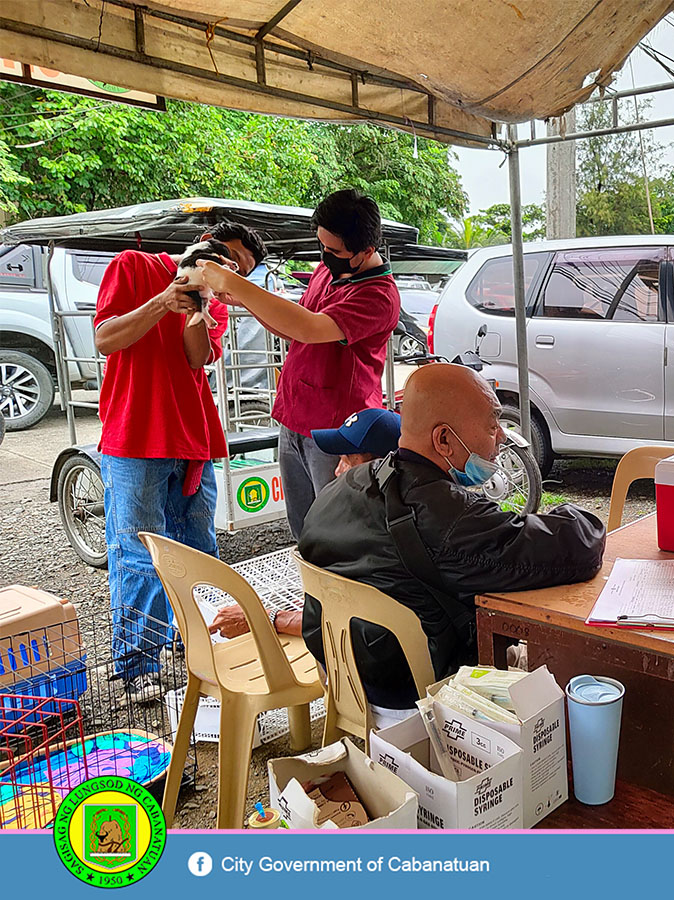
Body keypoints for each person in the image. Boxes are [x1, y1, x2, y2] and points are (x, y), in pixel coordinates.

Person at [210, 364, 606, 724]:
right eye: (492, 424)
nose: (501, 437)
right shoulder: (451, 518)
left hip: (345, 682)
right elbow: (581, 544)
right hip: (427, 703)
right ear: (445, 440)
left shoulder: (340, 487)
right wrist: (576, 510)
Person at [93, 222, 266, 702]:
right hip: (134, 435)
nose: (231, 275)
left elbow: (196, 360)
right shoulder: (134, 265)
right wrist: (164, 300)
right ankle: (136, 669)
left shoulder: (215, 301)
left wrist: (200, 310)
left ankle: (195, 647)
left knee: (197, 550)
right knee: (139, 554)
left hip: (192, 438)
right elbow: (106, 339)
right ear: (205, 246)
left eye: (242, 273)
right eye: (228, 262)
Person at [199, 189, 400, 538]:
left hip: (339, 431)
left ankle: (340, 592)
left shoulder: (378, 295)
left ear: (367, 250)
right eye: (321, 246)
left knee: (340, 532)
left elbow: (309, 328)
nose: (325, 256)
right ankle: (312, 591)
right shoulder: (328, 270)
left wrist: (236, 284)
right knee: (303, 529)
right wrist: (247, 301)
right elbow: (294, 327)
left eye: (335, 251)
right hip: (295, 417)